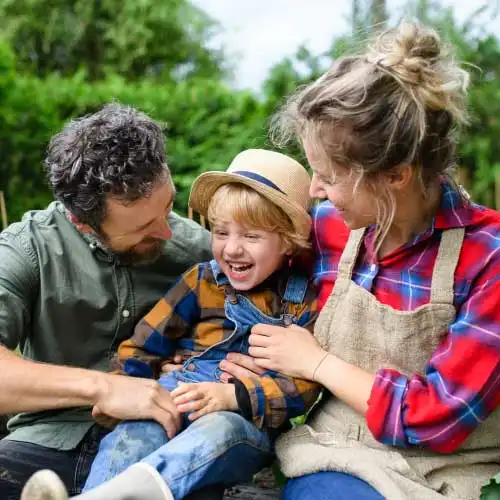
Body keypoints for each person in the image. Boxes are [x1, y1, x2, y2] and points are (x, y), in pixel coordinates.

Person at [220, 23, 500, 500]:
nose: (314, 191)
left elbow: (437, 420)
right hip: (331, 453)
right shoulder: (329, 228)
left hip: (446, 472)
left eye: (328, 176)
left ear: (396, 175)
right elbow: (241, 262)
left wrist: (318, 361)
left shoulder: (486, 256)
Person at [20, 148, 321, 500]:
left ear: (288, 241)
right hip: (172, 399)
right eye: (221, 233)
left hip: (241, 421)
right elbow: (144, 344)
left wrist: (233, 395)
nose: (232, 249)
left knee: (217, 431)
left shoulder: (300, 301)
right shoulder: (200, 282)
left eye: (251, 237)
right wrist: (121, 388)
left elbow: (302, 386)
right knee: (133, 435)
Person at [0, 103, 219, 500]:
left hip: (165, 447)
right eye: (142, 227)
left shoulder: (204, 254)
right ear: (82, 221)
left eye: (168, 206)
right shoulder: (27, 248)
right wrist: (103, 388)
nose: (168, 232)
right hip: (47, 443)